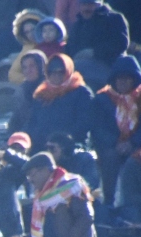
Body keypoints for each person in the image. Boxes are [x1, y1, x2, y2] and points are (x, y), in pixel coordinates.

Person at [16, 151, 95, 237]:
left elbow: (86, 218)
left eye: (32, 175)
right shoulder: (41, 197)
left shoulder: (72, 187)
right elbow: (43, 230)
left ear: (45, 170)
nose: (30, 180)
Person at [91, 55, 141, 207]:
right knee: (110, 158)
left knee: (134, 162)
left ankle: (131, 207)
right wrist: (115, 143)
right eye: (119, 78)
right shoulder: (102, 99)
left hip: (136, 146)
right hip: (111, 147)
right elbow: (97, 128)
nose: (122, 81)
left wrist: (132, 143)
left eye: (127, 78)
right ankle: (109, 203)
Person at [28, 54, 95, 150]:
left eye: (61, 72)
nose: (56, 76)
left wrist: (61, 142)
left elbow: (84, 124)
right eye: (52, 72)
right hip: (42, 146)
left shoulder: (82, 93)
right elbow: (32, 123)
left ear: (68, 71)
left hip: (71, 147)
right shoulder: (42, 94)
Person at [65, 0, 130, 90]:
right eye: (84, 4)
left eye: (90, 4)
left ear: (99, 4)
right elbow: (69, 49)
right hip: (79, 70)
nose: (87, 8)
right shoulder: (77, 26)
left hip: (109, 68)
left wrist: (94, 52)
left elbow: (121, 43)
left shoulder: (114, 19)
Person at [7, 50, 47, 136]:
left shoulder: (50, 89)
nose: (28, 71)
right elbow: (16, 120)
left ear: (41, 66)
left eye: (32, 66)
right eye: (24, 67)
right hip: (25, 137)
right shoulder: (22, 91)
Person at [8, 9, 46, 84]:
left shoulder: (53, 42)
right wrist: (30, 80)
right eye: (27, 32)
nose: (31, 34)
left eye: (33, 29)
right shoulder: (27, 49)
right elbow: (12, 74)